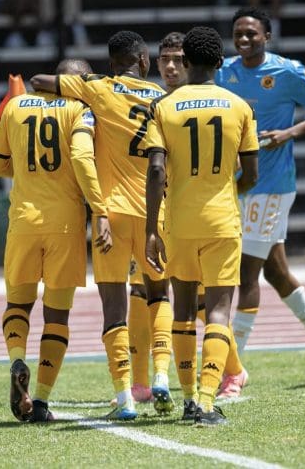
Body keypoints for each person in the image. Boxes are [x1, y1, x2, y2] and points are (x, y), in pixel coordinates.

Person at [30, 30, 172, 420]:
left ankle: (124, 398)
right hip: (154, 211)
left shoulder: (100, 90)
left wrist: (85, 85)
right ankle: (161, 375)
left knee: (114, 309)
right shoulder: (162, 98)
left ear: (112, 63)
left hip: (109, 214)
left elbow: (39, 82)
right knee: (160, 295)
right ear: (144, 61)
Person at [216, 6, 305, 381]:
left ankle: (232, 366)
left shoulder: (287, 71)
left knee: (246, 275)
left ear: (266, 37)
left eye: (251, 34)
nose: (243, 40)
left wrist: (291, 133)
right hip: (236, 184)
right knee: (276, 271)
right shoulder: (225, 72)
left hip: (272, 187)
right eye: (238, 33)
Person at [145, 25, 259, 425]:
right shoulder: (239, 106)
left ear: (186, 62)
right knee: (217, 313)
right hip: (222, 221)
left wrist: (150, 230)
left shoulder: (164, 106)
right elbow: (252, 174)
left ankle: (190, 397)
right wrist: (226, 186)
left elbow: (156, 170)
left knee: (181, 311)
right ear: (220, 62)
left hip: (178, 221)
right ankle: (209, 402)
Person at [0, 58, 111, 422]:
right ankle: (40, 401)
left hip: (24, 220)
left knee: (18, 304)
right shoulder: (79, 109)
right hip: (65, 223)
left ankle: (16, 360)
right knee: (57, 315)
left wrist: (27, 171)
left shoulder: (15, 105)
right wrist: (99, 208)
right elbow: (81, 157)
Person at [123, 30, 188, 405]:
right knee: (140, 289)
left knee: (196, 294)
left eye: (178, 59)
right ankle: (144, 380)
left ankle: (231, 369)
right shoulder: (149, 99)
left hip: (188, 210)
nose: (171, 66)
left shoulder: (193, 102)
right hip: (150, 208)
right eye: (165, 59)